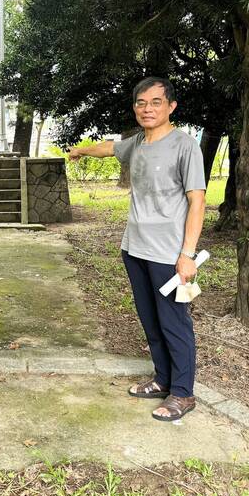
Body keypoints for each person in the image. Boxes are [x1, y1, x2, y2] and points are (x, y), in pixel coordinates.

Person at [69, 77, 206, 421]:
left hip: (169, 254)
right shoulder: (138, 144)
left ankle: (183, 393)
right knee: (149, 320)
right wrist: (81, 150)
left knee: (173, 322)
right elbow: (110, 147)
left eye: (156, 102)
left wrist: (187, 254)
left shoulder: (184, 146)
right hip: (135, 248)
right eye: (142, 103)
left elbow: (198, 201)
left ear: (171, 106)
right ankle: (162, 379)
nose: (148, 109)